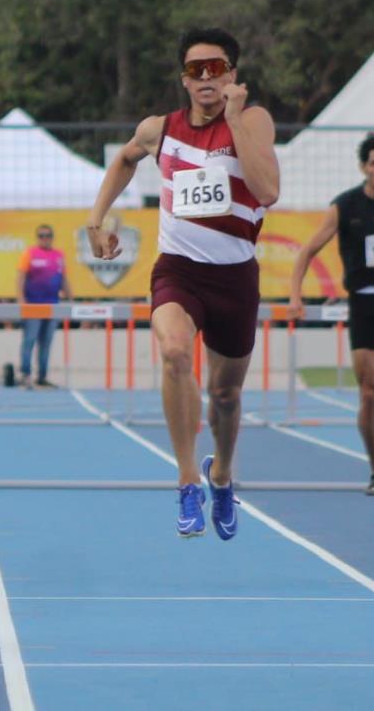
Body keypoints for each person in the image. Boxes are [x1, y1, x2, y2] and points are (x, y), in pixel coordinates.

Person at [87, 27, 279, 540]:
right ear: (185, 80)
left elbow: (267, 190)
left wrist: (235, 118)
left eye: (217, 68)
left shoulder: (254, 121)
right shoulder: (160, 129)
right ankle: (188, 479)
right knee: (173, 352)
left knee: (226, 393)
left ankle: (222, 475)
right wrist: (97, 218)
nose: (207, 78)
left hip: (235, 277)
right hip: (179, 270)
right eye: (197, 70)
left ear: (233, 76)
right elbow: (125, 159)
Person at [289, 132, 374, 495]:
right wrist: (296, 296)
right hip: (363, 302)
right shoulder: (346, 206)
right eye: (373, 161)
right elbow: (306, 251)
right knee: (369, 394)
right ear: (363, 166)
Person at [16, 224, 72, 388]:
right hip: (33, 304)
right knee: (30, 340)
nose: (45, 238)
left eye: (47, 235)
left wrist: (70, 298)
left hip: (52, 305)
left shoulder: (58, 255)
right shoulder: (30, 253)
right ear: (37, 237)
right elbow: (20, 276)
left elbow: (63, 279)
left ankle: (42, 376)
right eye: (41, 235)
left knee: (46, 342)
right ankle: (25, 374)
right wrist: (21, 300)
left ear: (52, 237)